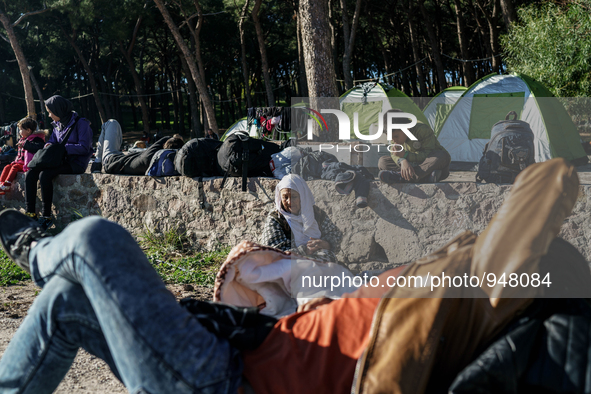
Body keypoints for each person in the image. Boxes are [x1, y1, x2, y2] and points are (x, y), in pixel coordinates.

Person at [0, 158, 587, 394]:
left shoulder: (474, 291)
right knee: (67, 301)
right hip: (235, 348)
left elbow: (550, 180)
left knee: (94, 241)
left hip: (229, 383)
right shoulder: (426, 289)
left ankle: (22, 239)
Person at [25, 95, 93, 229]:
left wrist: (62, 149)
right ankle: (30, 214)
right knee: (30, 173)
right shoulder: (57, 125)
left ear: (59, 110)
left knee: (45, 175)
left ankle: (46, 217)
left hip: (76, 163)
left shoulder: (81, 123)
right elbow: (53, 141)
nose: (49, 115)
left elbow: (85, 148)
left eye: (50, 112)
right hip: (59, 161)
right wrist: (48, 145)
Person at [260, 173, 342, 262]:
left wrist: (327, 244)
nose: (289, 202)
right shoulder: (276, 218)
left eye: (294, 197)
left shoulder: (315, 213)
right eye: (285, 197)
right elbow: (272, 252)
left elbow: (334, 234)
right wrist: (304, 250)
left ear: (302, 196)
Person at [378, 108, 451, 184]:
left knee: (442, 156)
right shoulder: (393, 137)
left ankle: (402, 177)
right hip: (411, 166)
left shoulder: (422, 130)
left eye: (396, 136)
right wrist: (402, 160)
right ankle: (424, 177)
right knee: (383, 162)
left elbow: (428, 153)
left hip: (428, 165)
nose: (393, 140)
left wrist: (405, 155)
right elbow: (394, 154)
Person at [91, 119, 184, 174]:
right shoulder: (155, 162)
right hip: (121, 159)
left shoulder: (150, 156)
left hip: (110, 161)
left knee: (111, 123)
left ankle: (97, 162)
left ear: (163, 145)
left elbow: (164, 139)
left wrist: (175, 138)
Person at [0, 117, 45, 195]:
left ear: (28, 130)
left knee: (14, 167)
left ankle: (7, 185)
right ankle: (1, 184)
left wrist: (25, 145)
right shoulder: (22, 139)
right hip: (19, 162)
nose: (19, 132)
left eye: (21, 130)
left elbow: (37, 148)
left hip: (26, 164)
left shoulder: (36, 139)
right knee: (7, 166)